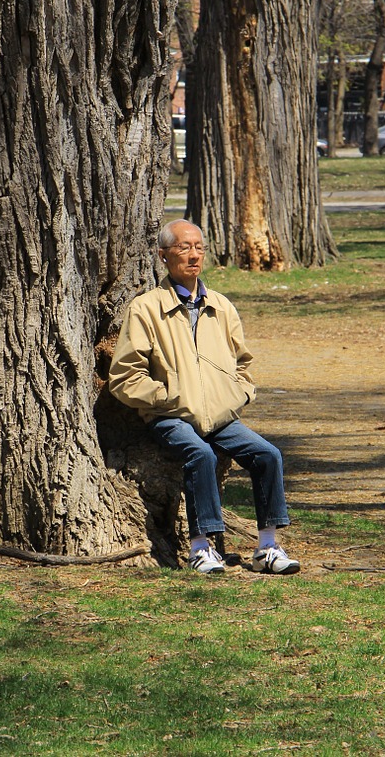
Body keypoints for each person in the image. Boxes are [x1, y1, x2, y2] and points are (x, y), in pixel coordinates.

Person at [108, 219, 299, 576]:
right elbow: (124, 376)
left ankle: (267, 547)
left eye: (198, 247)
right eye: (183, 248)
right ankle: (201, 547)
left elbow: (244, 363)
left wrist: (236, 394)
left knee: (268, 455)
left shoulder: (222, 306)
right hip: (170, 415)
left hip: (220, 416)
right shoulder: (146, 308)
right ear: (163, 256)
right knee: (201, 454)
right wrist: (168, 396)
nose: (193, 255)